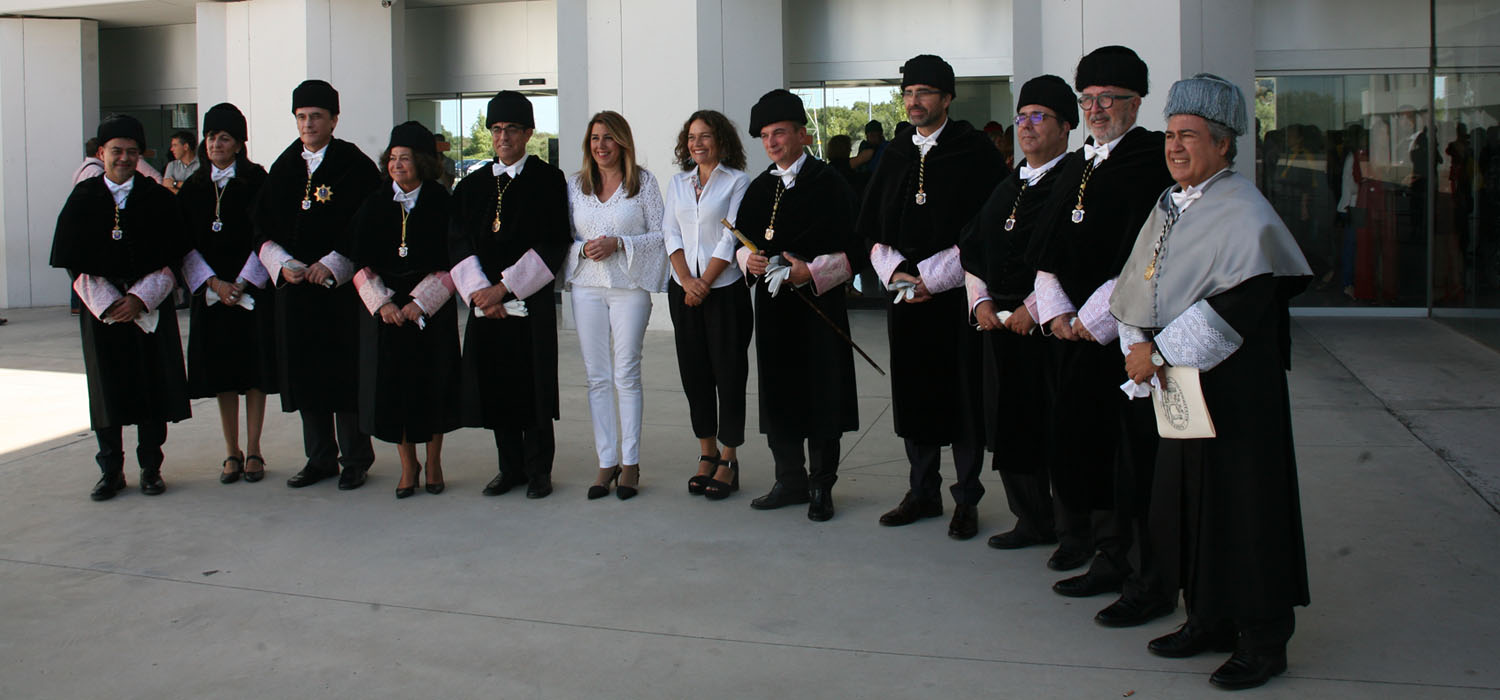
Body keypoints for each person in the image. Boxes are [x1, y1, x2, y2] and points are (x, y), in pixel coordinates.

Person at [1111, 73, 1312, 691]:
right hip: (1182, 386)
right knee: (1190, 504)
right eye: (1170, 135)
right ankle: (1207, 617)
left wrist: (1157, 354)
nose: (1174, 147)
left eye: (1189, 136)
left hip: (1236, 393)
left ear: (1225, 146)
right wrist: (1137, 341)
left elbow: (1240, 305)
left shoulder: (1243, 210)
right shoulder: (1171, 202)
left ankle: (1262, 639)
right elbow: (1140, 284)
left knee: (1246, 510)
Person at [1025, 45, 1175, 628]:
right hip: (1072, 337)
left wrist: (1093, 319)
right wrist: (1058, 312)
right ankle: (1107, 555)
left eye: (1108, 99)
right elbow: (1048, 246)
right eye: (1088, 99)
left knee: (1130, 458)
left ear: (1136, 102)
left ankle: (1144, 572)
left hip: (1123, 341)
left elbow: (1146, 255)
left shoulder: (1149, 160)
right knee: (1087, 448)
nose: (1096, 109)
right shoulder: (1081, 162)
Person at [859, 54, 1004, 540]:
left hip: (954, 298)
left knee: (961, 398)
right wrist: (896, 272)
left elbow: (983, 228)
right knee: (915, 395)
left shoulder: (974, 150)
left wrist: (930, 279)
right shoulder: (897, 152)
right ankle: (922, 491)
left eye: (924, 93)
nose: (914, 101)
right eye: (908, 93)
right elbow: (873, 225)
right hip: (905, 299)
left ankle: (967, 498)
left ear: (946, 98)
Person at [959, 74, 1078, 550]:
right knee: (1007, 424)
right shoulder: (1008, 185)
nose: (1027, 126)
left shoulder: (1074, 181)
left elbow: (1077, 257)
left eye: (1040, 117)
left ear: (1066, 127)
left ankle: (1073, 529)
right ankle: (1030, 518)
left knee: (1055, 429)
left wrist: (1033, 308)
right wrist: (981, 300)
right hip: (1001, 333)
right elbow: (973, 247)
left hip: (1052, 333)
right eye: (1023, 117)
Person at [735, 89, 863, 522]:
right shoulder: (758, 188)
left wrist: (811, 272)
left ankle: (821, 486)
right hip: (774, 313)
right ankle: (789, 480)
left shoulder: (830, 183)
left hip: (819, 310)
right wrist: (746, 260)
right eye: (766, 137)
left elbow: (854, 249)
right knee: (780, 394)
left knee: (822, 395)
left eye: (780, 133)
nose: (772, 143)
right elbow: (741, 240)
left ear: (802, 135)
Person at [50, 115, 191, 500]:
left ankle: (150, 468)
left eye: (131, 151)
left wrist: (138, 299)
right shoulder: (83, 198)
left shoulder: (157, 198)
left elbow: (173, 258)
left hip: (148, 309)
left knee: (152, 388)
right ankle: (110, 470)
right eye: (116, 151)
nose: (124, 158)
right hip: (104, 314)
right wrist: (112, 303)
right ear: (101, 153)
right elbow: (72, 261)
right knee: (107, 390)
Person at [253, 79, 379, 490]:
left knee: (344, 375)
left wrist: (332, 264)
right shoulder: (284, 166)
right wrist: (282, 263)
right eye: (302, 117)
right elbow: (262, 227)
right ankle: (319, 458)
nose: (308, 124)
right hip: (297, 293)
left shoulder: (354, 165)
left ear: (334, 119)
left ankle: (355, 459)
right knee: (306, 375)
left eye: (317, 117)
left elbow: (368, 222)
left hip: (338, 294)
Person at [449, 90, 572, 500]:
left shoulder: (547, 180)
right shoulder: (472, 186)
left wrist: (504, 288)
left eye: (512, 129)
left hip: (528, 300)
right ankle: (509, 468)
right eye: (497, 129)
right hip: (485, 305)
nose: (503, 137)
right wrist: (481, 293)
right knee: (496, 383)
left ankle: (539, 470)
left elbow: (554, 243)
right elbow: (459, 242)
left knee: (532, 384)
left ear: (529, 133)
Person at [349, 121, 462, 498]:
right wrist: (383, 304)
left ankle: (433, 462)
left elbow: (455, 261)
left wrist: (420, 303)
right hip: (387, 314)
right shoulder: (374, 202)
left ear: (423, 163)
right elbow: (359, 262)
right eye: (393, 158)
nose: (397, 165)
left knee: (432, 387)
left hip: (430, 311)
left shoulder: (443, 202)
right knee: (393, 390)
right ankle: (407, 465)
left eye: (406, 158)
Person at [564, 110, 667, 500]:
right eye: (594, 139)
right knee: (596, 375)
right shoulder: (576, 185)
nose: (601, 146)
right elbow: (565, 236)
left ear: (622, 141)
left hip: (629, 285)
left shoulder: (643, 183)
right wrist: (583, 248)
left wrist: (620, 243)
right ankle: (605, 460)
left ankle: (630, 462)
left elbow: (660, 235)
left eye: (608, 138)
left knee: (626, 371)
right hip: (586, 285)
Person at [178, 103, 276, 484]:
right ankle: (230, 451)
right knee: (221, 374)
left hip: (250, 290)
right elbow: (183, 243)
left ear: (239, 144)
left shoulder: (257, 181)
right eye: (210, 137)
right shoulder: (193, 187)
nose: (215, 144)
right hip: (211, 293)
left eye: (224, 138)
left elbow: (267, 233)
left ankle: (254, 449)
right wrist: (214, 284)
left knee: (252, 371)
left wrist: (244, 281)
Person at [663, 110, 753, 500]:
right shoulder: (678, 183)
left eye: (705, 136)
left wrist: (704, 282)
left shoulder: (738, 181)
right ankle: (706, 452)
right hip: (683, 291)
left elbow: (731, 237)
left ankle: (729, 457)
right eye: (691, 137)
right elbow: (670, 232)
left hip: (725, 291)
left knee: (729, 374)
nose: (697, 143)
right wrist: (686, 280)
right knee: (694, 374)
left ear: (721, 141)